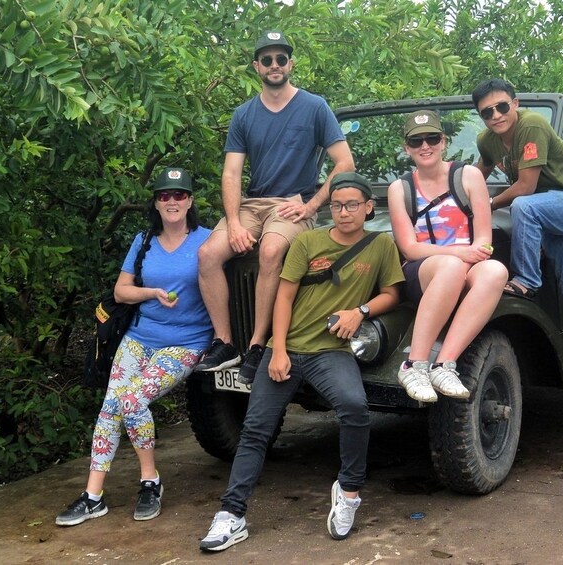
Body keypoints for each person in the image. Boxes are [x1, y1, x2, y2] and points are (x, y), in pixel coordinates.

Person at [199, 172, 404, 552]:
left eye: (352, 205)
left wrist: (361, 311)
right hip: (288, 349)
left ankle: (349, 492)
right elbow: (284, 297)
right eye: (338, 204)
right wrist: (276, 351)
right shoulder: (309, 241)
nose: (344, 212)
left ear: (368, 208)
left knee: (356, 409)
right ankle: (231, 514)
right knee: (255, 430)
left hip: (331, 352)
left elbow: (392, 294)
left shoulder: (380, 245)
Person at [194, 30, 355, 384]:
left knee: (270, 251)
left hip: (292, 204)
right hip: (253, 203)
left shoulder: (315, 106)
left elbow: (345, 163)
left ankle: (256, 345)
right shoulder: (244, 114)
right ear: (257, 66)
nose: (275, 65)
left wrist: (312, 204)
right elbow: (232, 173)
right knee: (207, 255)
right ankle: (225, 342)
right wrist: (234, 223)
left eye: (281, 58)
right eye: (267, 59)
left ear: (290, 64)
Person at [56, 168, 213, 526]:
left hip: (187, 342)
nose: (171, 202)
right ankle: (93, 496)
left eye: (178, 195)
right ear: (156, 203)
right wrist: (152, 292)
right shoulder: (144, 240)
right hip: (141, 337)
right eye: (164, 196)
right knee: (111, 407)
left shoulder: (209, 239)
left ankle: (150, 481)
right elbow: (121, 291)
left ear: (190, 201)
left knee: (132, 400)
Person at [472, 78, 563, 385]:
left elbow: (526, 188)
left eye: (502, 107)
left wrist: (488, 204)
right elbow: (473, 177)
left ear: (516, 104)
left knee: (523, 206)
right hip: (551, 211)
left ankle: (526, 280)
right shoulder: (488, 140)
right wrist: (451, 198)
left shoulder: (531, 125)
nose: (496, 115)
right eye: (487, 112)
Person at [387, 110, 508, 403]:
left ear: (444, 141)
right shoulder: (399, 189)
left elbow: (483, 240)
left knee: (496, 272)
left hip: (467, 263)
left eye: (431, 138)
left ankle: (444, 364)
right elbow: (409, 249)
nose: (425, 146)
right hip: (424, 270)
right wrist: (458, 253)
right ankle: (414, 364)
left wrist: (467, 256)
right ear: (407, 147)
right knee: (451, 266)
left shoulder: (469, 176)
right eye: (417, 141)